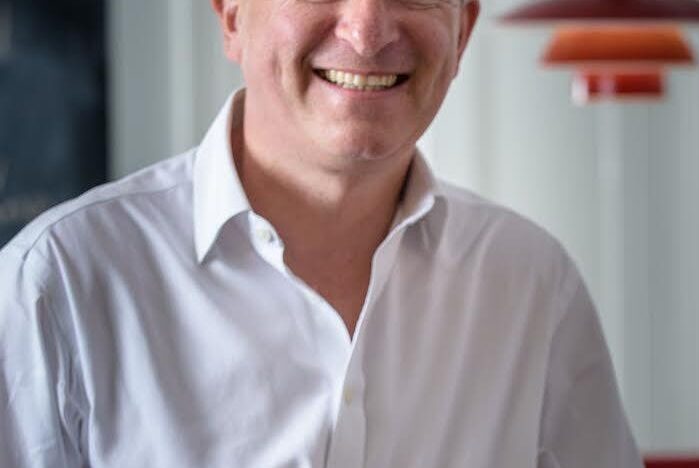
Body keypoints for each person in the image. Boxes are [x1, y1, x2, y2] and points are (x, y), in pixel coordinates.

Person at [0, 0, 643, 466]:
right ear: (231, 15)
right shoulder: (57, 285)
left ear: (463, 29)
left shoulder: (531, 282)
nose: (367, 31)